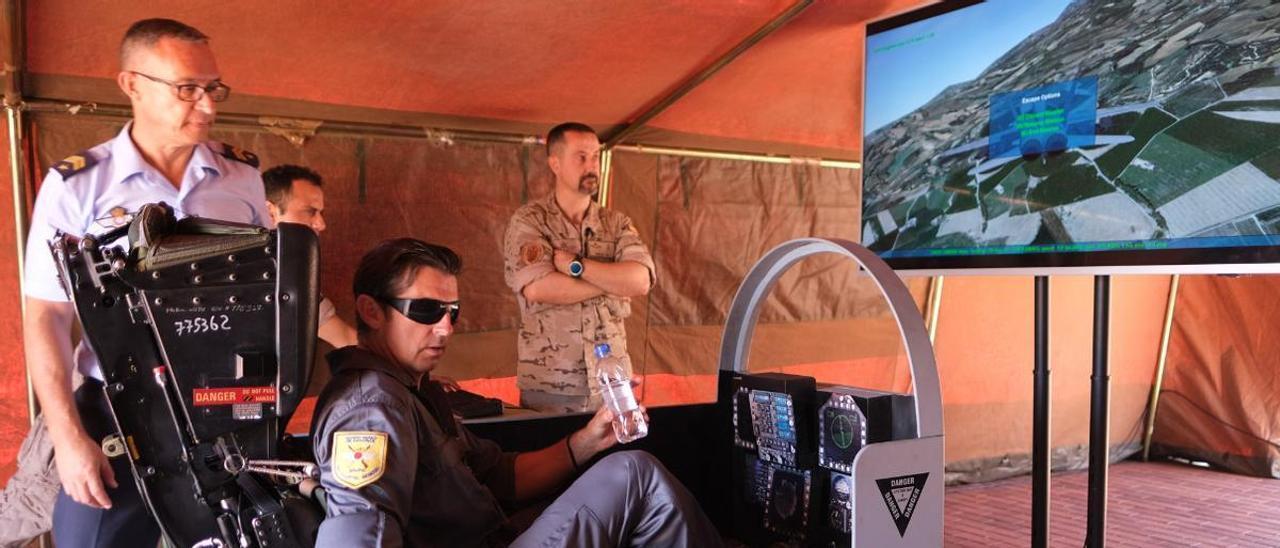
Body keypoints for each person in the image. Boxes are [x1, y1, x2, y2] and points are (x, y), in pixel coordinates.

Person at [19, 19, 267, 548]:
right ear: (131, 84)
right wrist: (67, 439)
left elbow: (261, 295)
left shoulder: (241, 178)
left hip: (220, 405)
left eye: (212, 88)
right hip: (117, 408)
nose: (206, 105)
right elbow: (47, 316)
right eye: (186, 89)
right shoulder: (78, 186)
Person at [313, 238, 719, 547]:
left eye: (452, 312)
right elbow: (357, 533)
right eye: (426, 310)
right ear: (370, 311)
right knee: (636, 476)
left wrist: (588, 441)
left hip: (498, 532)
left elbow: (501, 477)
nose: (445, 328)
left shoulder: (416, 393)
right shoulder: (371, 407)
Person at [502, 122, 655, 413]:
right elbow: (540, 287)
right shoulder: (531, 221)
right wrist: (611, 279)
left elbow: (640, 280)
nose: (592, 165)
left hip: (612, 383)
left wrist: (576, 267)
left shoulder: (616, 223)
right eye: (581, 157)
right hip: (551, 383)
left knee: (615, 456)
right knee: (555, 458)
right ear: (555, 163)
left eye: (596, 156)